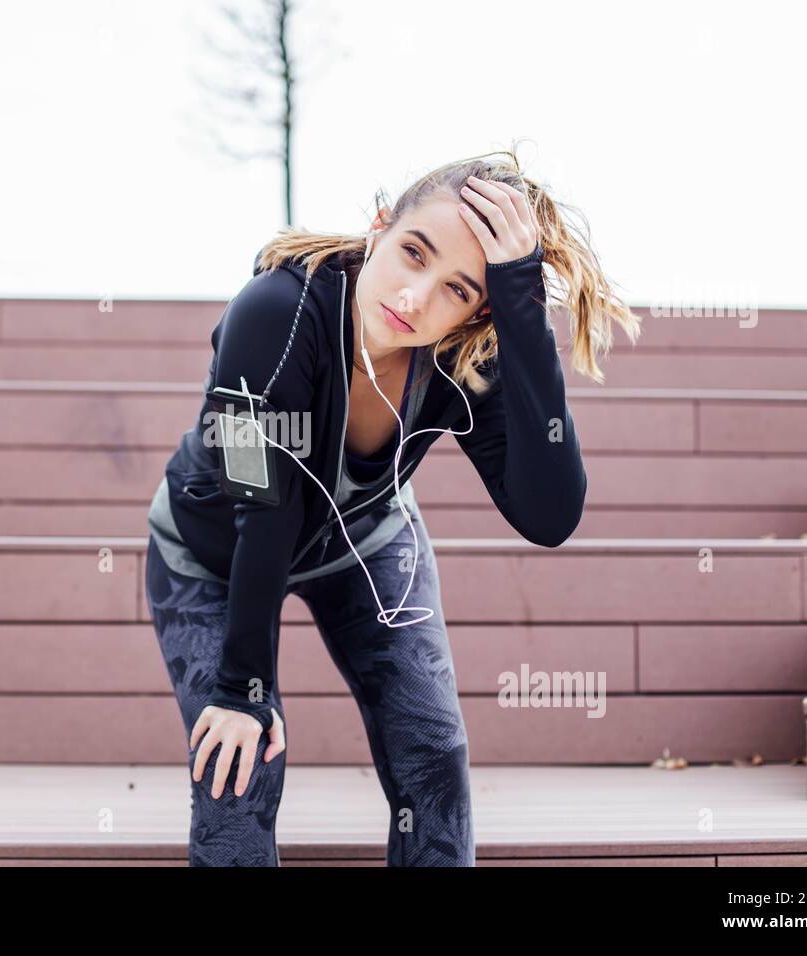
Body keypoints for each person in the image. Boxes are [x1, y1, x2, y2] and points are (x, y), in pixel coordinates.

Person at [145, 148, 642, 866]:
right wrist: (240, 690)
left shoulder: (463, 358)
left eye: (458, 290)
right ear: (380, 226)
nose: (415, 299)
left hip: (366, 544)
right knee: (242, 763)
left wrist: (523, 307)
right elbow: (265, 505)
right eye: (413, 252)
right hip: (212, 557)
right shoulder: (274, 314)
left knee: (433, 754)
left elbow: (550, 515)